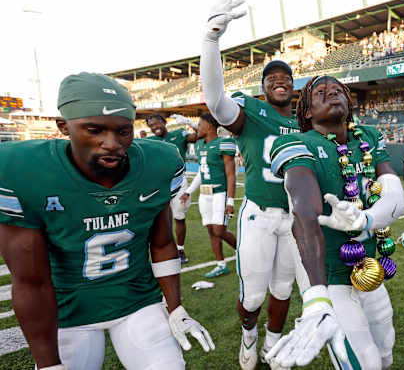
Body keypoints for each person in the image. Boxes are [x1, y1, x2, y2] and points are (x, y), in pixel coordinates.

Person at [0, 72, 213, 370]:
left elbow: (163, 243)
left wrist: (175, 308)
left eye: (123, 131)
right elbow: (31, 282)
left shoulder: (157, 163)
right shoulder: (25, 171)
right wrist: (48, 364)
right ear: (63, 127)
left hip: (138, 300)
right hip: (68, 311)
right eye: (95, 130)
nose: (111, 143)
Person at [266, 75, 404, 369]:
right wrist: (317, 297)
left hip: (369, 269)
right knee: (364, 361)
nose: (332, 92)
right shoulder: (296, 142)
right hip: (332, 278)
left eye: (338, 90)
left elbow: (395, 196)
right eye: (320, 92)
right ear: (306, 111)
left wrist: (364, 218)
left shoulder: (367, 137)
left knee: (385, 349)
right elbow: (304, 215)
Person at [201, 0, 303, 368]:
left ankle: (273, 342)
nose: (280, 80)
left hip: (294, 220)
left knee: (282, 289)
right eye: (272, 77)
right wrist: (211, 40)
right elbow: (215, 102)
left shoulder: (304, 121)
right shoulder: (252, 112)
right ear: (263, 87)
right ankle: (249, 336)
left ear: (292, 86)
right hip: (259, 214)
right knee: (254, 294)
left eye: (286, 77)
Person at [180, 114, 238, 278]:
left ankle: (242, 253)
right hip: (205, 195)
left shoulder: (223, 143)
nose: (198, 127)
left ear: (210, 126)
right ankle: (221, 264)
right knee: (211, 231)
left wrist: (231, 200)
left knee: (219, 230)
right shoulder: (201, 146)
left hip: (220, 193)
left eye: (200, 124)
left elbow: (231, 174)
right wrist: (188, 191)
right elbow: (201, 172)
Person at [146, 113, 199, 264]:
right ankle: (163, 249)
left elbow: (198, 136)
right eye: (151, 125)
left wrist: (190, 122)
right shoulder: (149, 141)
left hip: (178, 181)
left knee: (179, 216)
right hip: (159, 183)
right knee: (159, 218)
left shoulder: (179, 134)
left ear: (164, 122)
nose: (155, 127)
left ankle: (180, 249)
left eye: (157, 123)